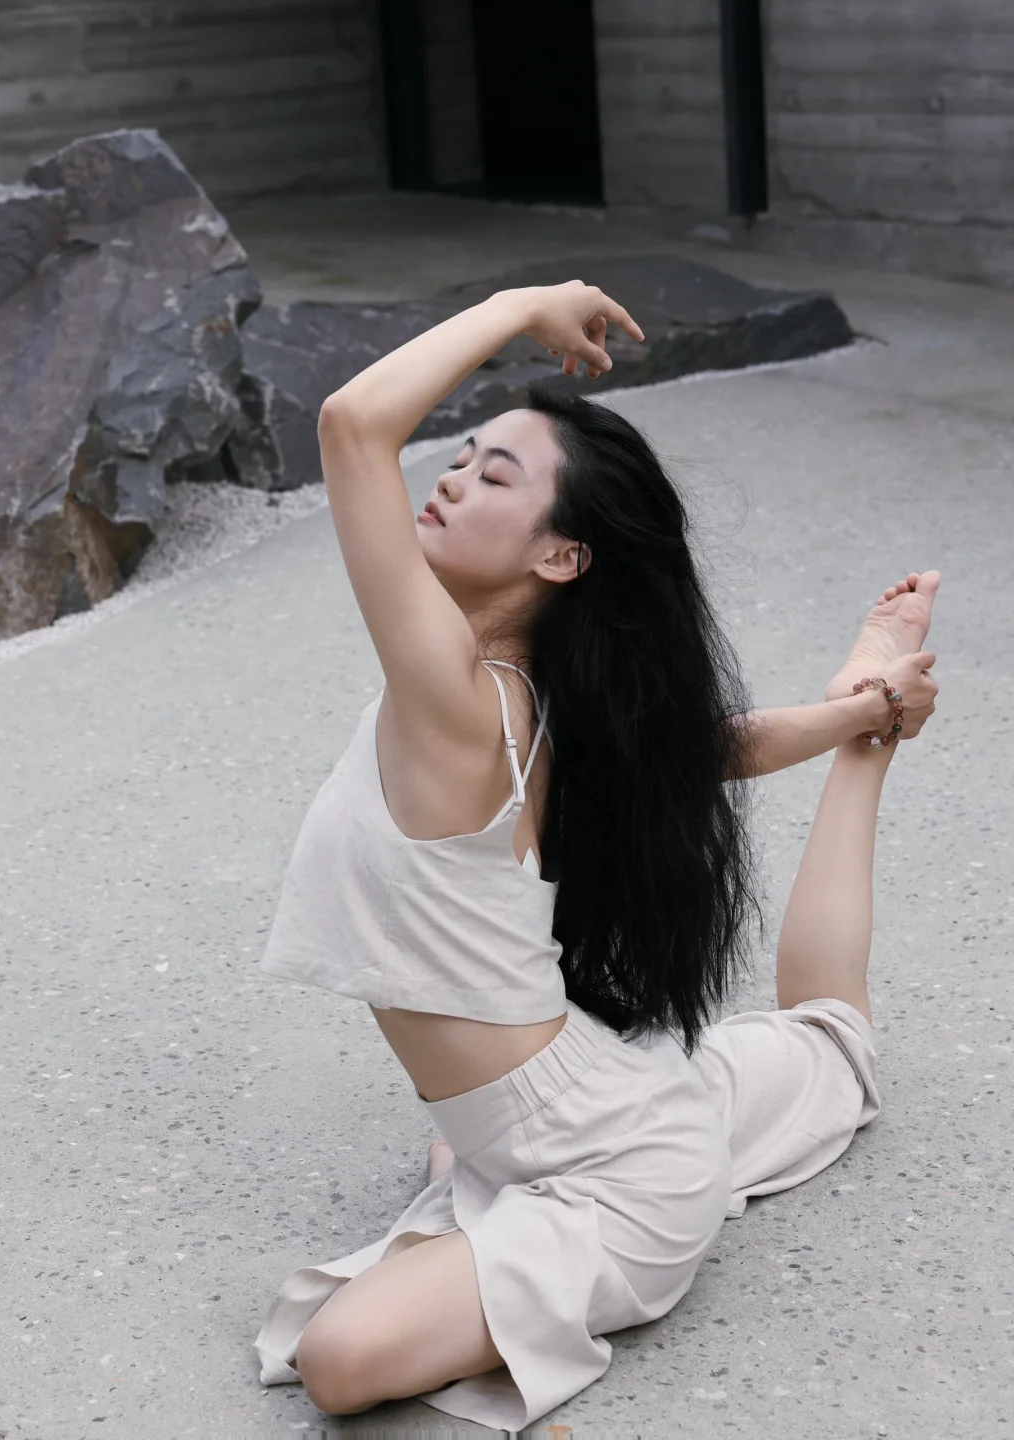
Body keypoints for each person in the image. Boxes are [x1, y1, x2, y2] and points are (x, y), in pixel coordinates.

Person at [252, 280, 941, 1434]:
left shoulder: (457, 699)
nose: (451, 477)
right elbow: (703, 750)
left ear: (564, 557)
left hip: (615, 1174)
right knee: (833, 1036)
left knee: (339, 1358)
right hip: (597, 1096)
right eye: (461, 456)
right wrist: (854, 707)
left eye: (495, 474)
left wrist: (524, 302)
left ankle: (874, 755)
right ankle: (876, 736)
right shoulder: (522, 695)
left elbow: (352, 424)